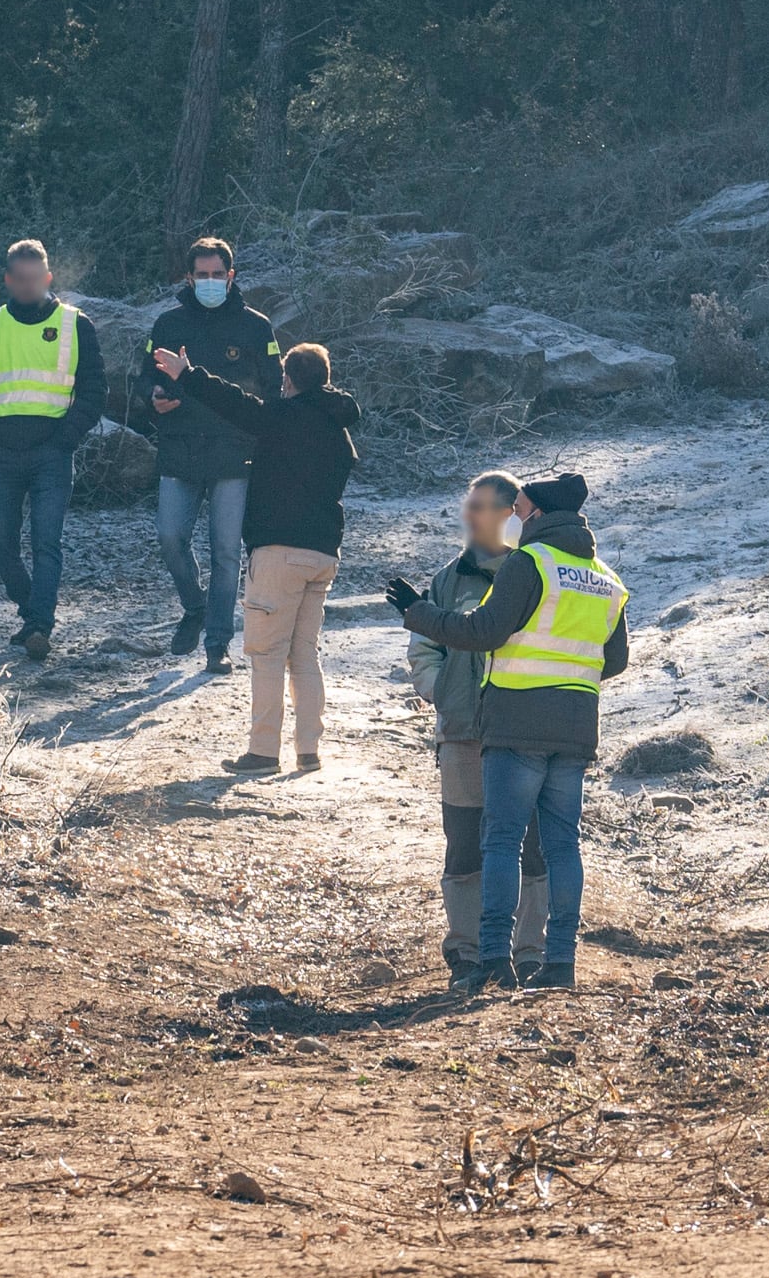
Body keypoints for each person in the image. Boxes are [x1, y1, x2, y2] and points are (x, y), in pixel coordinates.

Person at [404, 470, 629, 990]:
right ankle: (559, 963)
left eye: (521, 510)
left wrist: (419, 614)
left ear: (540, 515)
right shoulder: (606, 579)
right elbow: (613, 661)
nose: (516, 519)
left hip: (516, 722)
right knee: (561, 847)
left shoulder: (531, 563)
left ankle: (492, 960)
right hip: (575, 728)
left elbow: (483, 632)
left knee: (500, 843)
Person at [147, 336, 358, 773]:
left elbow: (235, 403)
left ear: (289, 379)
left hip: (279, 551)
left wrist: (186, 374)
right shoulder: (339, 430)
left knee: (265, 654)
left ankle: (263, 752)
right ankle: (308, 750)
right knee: (304, 654)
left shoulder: (282, 418)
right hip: (323, 555)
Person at [386, 472, 547, 983]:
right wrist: (440, 689)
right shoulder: (448, 579)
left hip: (525, 733)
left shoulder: (538, 573)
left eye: (480, 506)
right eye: (467, 505)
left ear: (509, 514)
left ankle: (529, 952)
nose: (468, 515)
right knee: (464, 843)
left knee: (532, 844)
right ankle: (467, 953)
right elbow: (424, 648)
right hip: (461, 734)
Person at [0, 239, 102, 656]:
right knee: (0, 543)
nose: (27, 286)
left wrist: (65, 441)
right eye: (19, 279)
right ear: (7, 280)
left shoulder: (77, 325)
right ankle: (31, 609)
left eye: (35, 279)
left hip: (52, 455)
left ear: (48, 278)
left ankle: (40, 625)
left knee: (45, 542)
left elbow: (94, 392)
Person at [142, 236, 278, 673]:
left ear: (232, 276)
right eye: (202, 275)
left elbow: (274, 390)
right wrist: (154, 397)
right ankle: (194, 606)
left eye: (218, 275)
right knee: (169, 537)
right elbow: (144, 378)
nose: (210, 282)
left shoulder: (257, 327)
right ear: (188, 277)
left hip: (235, 452)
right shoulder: (167, 324)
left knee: (226, 552)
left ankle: (217, 643)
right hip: (179, 447)